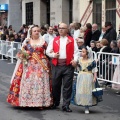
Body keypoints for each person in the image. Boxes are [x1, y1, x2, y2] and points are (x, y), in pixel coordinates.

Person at [7, 25, 52, 107]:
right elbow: (21, 52)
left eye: (38, 31)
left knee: (40, 82)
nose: (37, 32)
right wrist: (24, 55)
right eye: (35, 31)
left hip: (41, 64)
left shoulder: (43, 42)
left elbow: (48, 51)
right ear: (31, 32)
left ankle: (40, 102)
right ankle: (27, 101)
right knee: (28, 82)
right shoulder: (27, 41)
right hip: (29, 65)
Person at [46, 23, 79, 112]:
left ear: (67, 29)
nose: (60, 30)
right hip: (56, 65)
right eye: (59, 28)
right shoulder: (54, 40)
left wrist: (75, 60)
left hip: (68, 65)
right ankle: (56, 102)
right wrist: (53, 55)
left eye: (63, 28)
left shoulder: (72, 40)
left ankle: (66, 105)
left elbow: (76, 52)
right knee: (55, 85)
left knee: (67, 86)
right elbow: (47, 51)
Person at [74, 47, 98, 114]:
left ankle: (87, 107)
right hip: (81, 76)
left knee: (88, 91)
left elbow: (94, 69)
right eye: (81, 51)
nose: (81, 53)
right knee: (81, 90)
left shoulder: (91, 61)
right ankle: (82, 102)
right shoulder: (80, 60)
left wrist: (95, 77)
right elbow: (78, 68)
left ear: (87, 54)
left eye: (83, 52)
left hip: (88, 76)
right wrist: (74, 64)